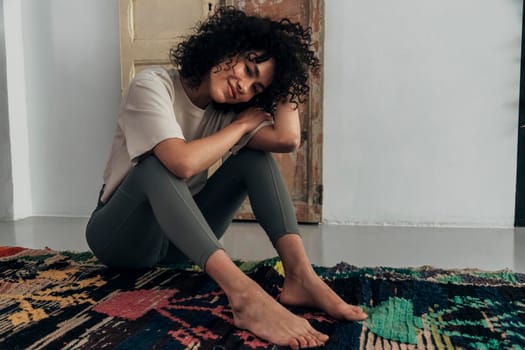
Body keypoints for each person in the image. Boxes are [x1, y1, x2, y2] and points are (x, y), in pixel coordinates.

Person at [85, 7, 367, 349]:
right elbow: (182, 164)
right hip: (121, 238)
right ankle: (243, 293)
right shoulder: (153, 85)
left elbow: (287, 139)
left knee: (253, 157)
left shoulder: (224, 114)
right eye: (247, 69)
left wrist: (286, 79)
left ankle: (299, 275)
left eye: (256, 86)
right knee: (156, 164)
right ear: (223, 46)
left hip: (178, 247)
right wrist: (241, 126)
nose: (243, 87)